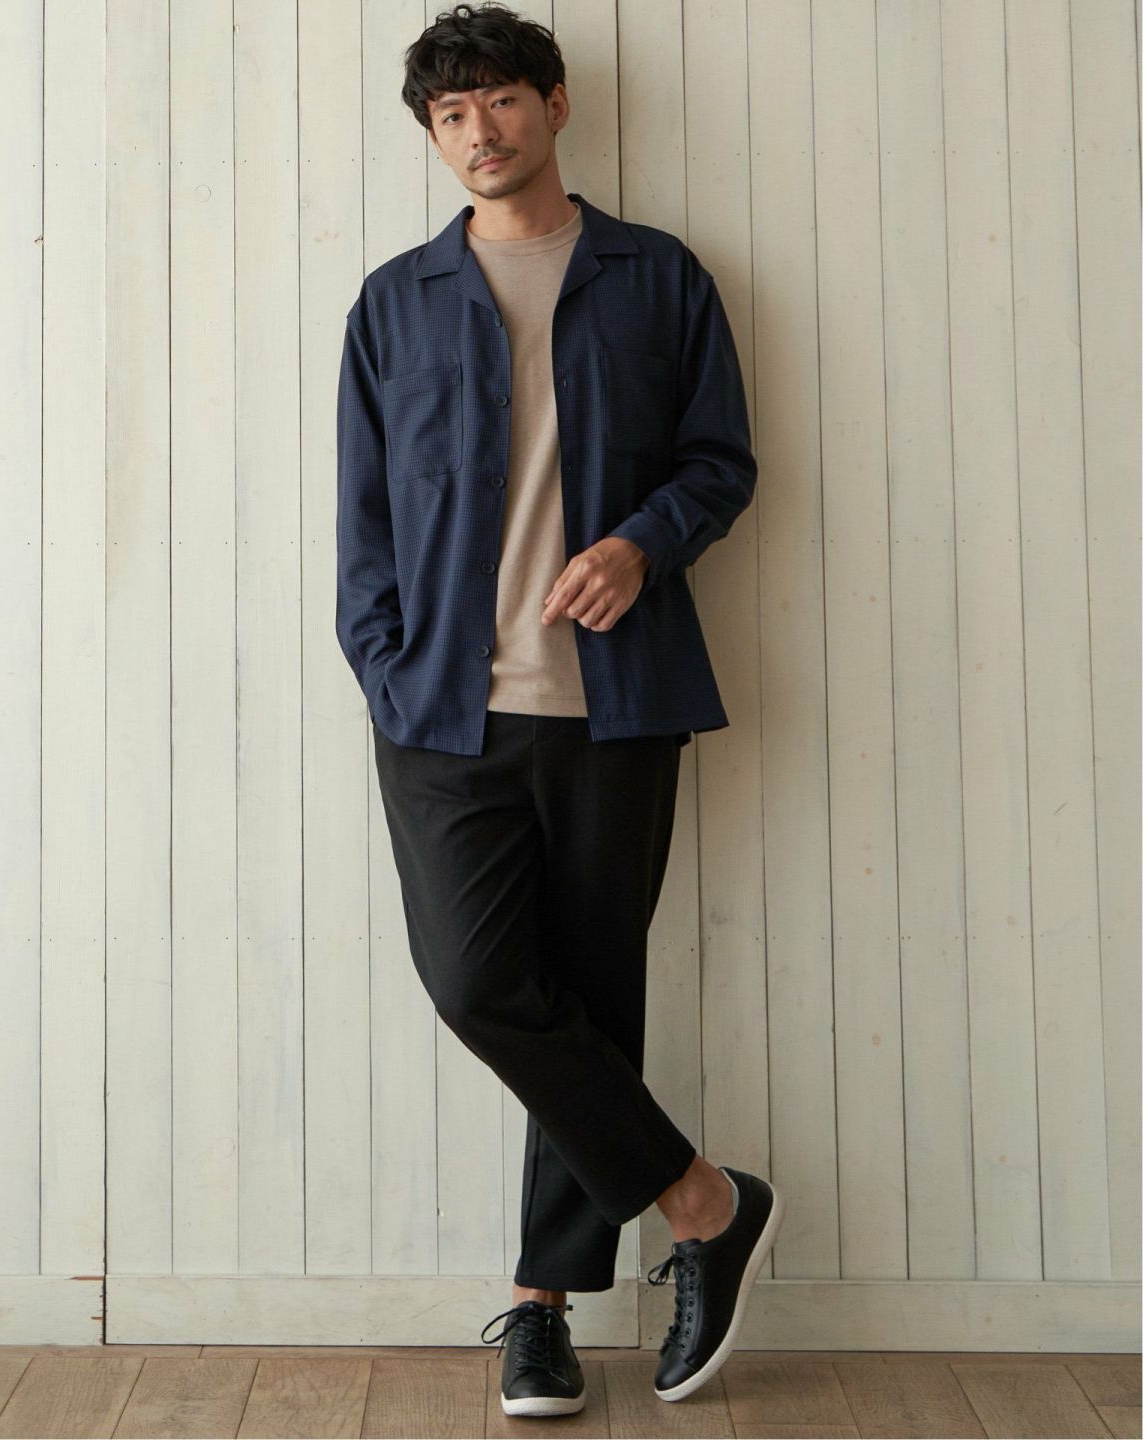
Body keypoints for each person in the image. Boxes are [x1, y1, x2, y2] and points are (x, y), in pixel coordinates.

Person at [335, 0, 784, 1415]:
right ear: (433, 135)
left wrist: (642, 543)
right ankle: (705, 1202)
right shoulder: (395, 302)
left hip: (615, 704)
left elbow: (721, 460)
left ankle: (541, 1311)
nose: (479, 130)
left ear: (555, 105)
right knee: (482, 986)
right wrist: (383, 662)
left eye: (501, 100)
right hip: (440, 714)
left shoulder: (660, 278)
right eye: (450, 113)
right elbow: (361, 515)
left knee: (587, 1003)